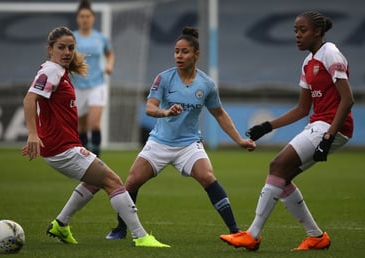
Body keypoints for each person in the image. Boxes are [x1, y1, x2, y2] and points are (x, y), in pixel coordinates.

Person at [22, 26, 169, 248]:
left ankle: (60, 224)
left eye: (71, 48)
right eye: (61, 47)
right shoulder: (50, 71)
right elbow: (29, 99)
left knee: (94, 183)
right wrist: (33, 133)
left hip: (64, 146)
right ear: (49, 49)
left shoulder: (60, 71)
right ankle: (141, 236)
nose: (67, 52)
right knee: (113, 181)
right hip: (61, 148)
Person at [105, 26, 257, 240]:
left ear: (196, 54)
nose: (179, 55)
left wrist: (239, 140)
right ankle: (120, 228)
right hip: (160, 142)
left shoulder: (206, 84)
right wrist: (165, 112)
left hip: (189, 144)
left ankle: (235, 231)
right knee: (131, 181)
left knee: (207, 177)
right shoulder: (164, 79)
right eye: (176, 51)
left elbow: (220, 114)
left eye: (184, 51)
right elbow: (149, 107)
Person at [220, 11, 354, 251]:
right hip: (319, 124)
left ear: (318, 32)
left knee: (277, 166)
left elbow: (347, 99)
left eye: (302, 30)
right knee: (282, 177)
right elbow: (303, 108)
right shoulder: (307, 62)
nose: (297, 35)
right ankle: (316, 237)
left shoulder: (330, 53)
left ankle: (252, 235)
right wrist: (268, 126)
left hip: (331, 126)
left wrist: (329, 136)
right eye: (295, 31)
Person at [72, 0, 115, 156]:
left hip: (97, 84)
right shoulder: (72, 38)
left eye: (88, 16)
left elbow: (110, 54)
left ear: (93, 18)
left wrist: (109, 65)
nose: (85, 19)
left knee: (94, 124)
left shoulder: (100, 38)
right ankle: (85, 161)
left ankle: (97, 159)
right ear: (78, 18)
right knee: (81, 128)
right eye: (82, 16)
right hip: (77, 86)